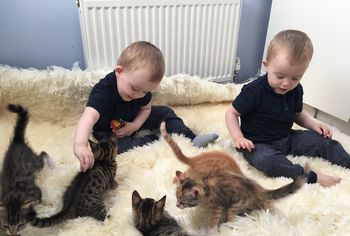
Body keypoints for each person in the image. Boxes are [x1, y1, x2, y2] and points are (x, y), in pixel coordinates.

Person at [225, 29, 350, 187]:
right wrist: (238, 138)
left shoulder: (296, 90)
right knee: (268, 162)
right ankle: (311, 177)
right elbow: (231, 113)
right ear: (266, 66)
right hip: (257, 144)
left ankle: (347, 162)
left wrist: (313, 124)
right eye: (280, 76)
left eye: (295, 78)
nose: (287, 83)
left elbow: (298, 114)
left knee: (324, 142)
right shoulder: (254, 90)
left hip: (287, 138)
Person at [74, 41, 218, 172]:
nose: (138, 95)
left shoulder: (141, 91)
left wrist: (135, 125)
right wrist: (80, 145)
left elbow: (146, 109)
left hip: (133, 117)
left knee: (165, 112)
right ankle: (156, 140)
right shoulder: (104, 91)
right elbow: (88, 117)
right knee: (117, 147)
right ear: (119, 72)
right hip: (109, 131)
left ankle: (191, 138)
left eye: (145, 91)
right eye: (135, 88)